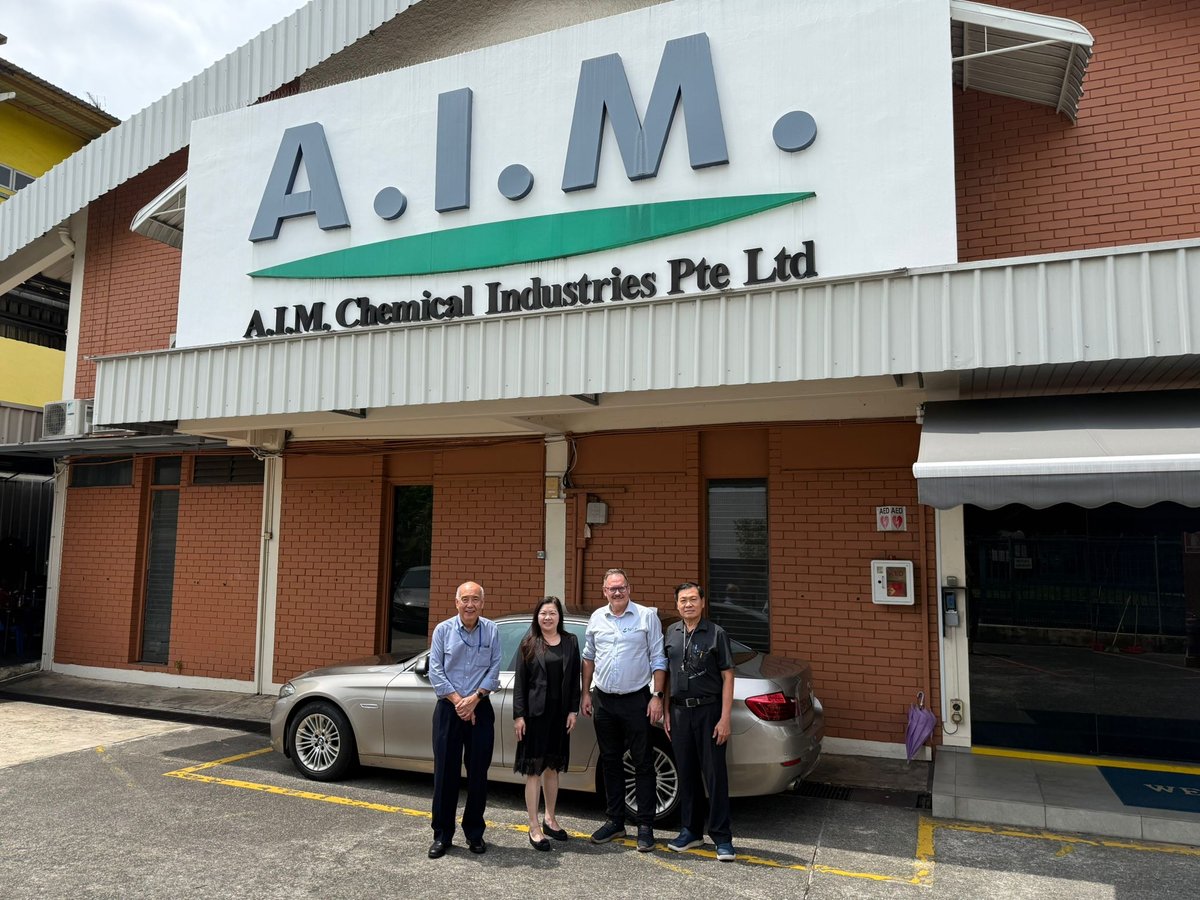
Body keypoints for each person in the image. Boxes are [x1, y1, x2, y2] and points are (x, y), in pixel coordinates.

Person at [581, 568, 668, 852]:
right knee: (611, 761)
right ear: (604, 591)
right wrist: (586, 692)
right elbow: (588, 658)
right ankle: (615, 821)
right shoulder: (596, 618)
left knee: (643, 762)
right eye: (611, 589)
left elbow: (658, 657)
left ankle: (645, 826)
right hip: (604, 700)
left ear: (629, 588)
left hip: (637, 700)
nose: (617, 592)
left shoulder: (646, 616)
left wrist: (657, 696)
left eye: (621, 587)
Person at [427, 581, 502, 859]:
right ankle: (442, 835)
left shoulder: (492, 630)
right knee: (445, 774)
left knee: (478, 774)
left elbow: (495, 669)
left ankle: (474, 832)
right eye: (465, 599)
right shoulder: (443, 631)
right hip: (449, 709)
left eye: (475, 599)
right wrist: (460, 702)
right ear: (456, 602)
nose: (470, 604)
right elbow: (436, 671)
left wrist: (475, 699)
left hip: (480, 708)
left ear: (483, 603)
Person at [663, 582, 736, 862]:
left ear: (703, 603)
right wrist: (668, 710)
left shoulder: (716, 633)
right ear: (677, 605)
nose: (688, 604)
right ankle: (691, 832)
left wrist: (725, 718)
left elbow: (728, 676)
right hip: (680, 713)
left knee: (715, 776)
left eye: (693, 599)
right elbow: (668, 673)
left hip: (709, 712)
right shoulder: (672, 632)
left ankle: (722, 837)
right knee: (687, 773)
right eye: (683, 600)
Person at [512, 596, 581, 850]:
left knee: (553, 768)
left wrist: (573, 710)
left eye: (552, 613)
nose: (548, 618)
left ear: (559, 616)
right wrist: (519, 715)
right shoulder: (529, 643)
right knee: (534, 771)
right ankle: (534, 826)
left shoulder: (571, 642)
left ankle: (550, 818)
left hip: (560, 715)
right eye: (543, 613)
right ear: (537, 617)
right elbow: (520, 683)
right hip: (535, 717)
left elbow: (575, 679)